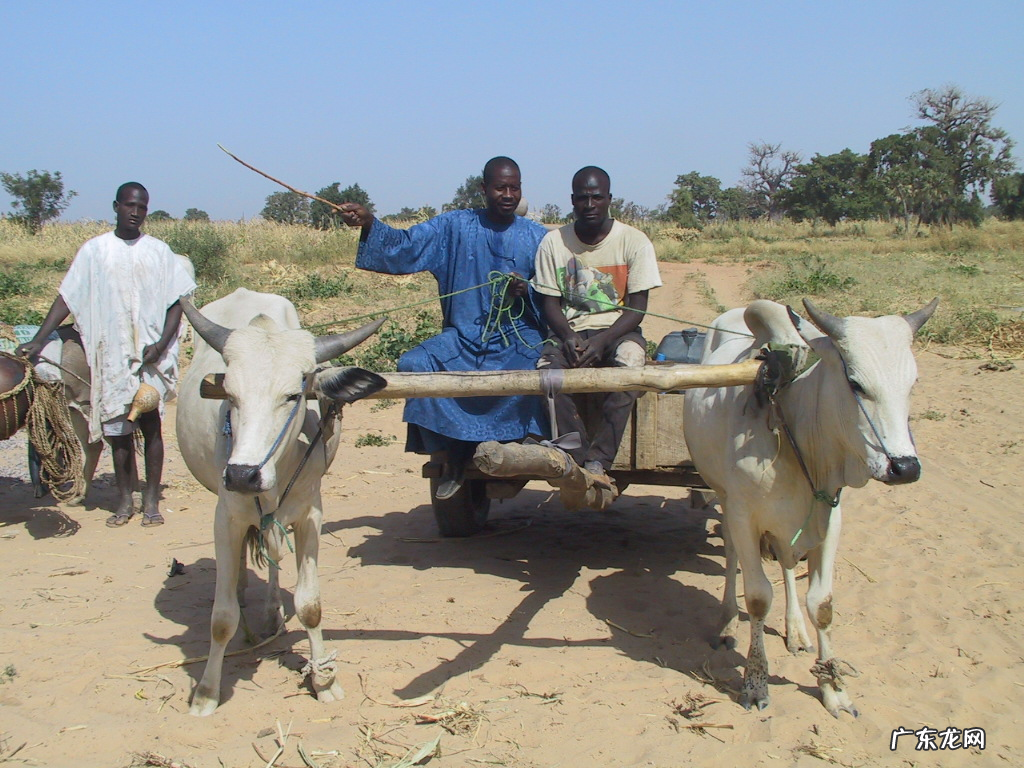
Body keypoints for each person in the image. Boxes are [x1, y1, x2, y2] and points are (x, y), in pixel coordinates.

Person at [338, 157, 548, 499]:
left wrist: (530, 290)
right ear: (483, 189)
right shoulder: (454, 227)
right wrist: (369, 223)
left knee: (544, 367)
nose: (507, 195)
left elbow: (559, 294)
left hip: (519, 342)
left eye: (514, 188)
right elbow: (405, 246)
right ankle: (453, 451)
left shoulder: (538, 237)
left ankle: (519, 445)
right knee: (415, 365)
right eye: (500, 187)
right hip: (463, 340)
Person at [17, 182, 196, 527]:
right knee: (117, 432)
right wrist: (39, 340)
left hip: (149, 358)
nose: (135, 213)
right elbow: (68, 298)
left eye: (142, 207)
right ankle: (124, 500)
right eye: (129, 206)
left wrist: (160, 346)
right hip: (111, 356)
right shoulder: (94, 251)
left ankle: (151, 501)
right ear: (116, 206)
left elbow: (178, 304)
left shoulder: (159, 251)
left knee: (151, 427)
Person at [533, 166, 662, 483]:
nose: (589, 205)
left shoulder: (634, 241)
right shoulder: (554, 242)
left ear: (609, 199)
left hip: (619, 332)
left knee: (631, 366)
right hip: (569, 332)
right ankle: (576, 457)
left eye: (596, 197)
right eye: (582, 198)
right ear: (572, 201)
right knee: (546, 375)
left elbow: (637, 309)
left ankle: (598, 460)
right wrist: (567, 336)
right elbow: (549, 303)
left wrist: (603, 341)